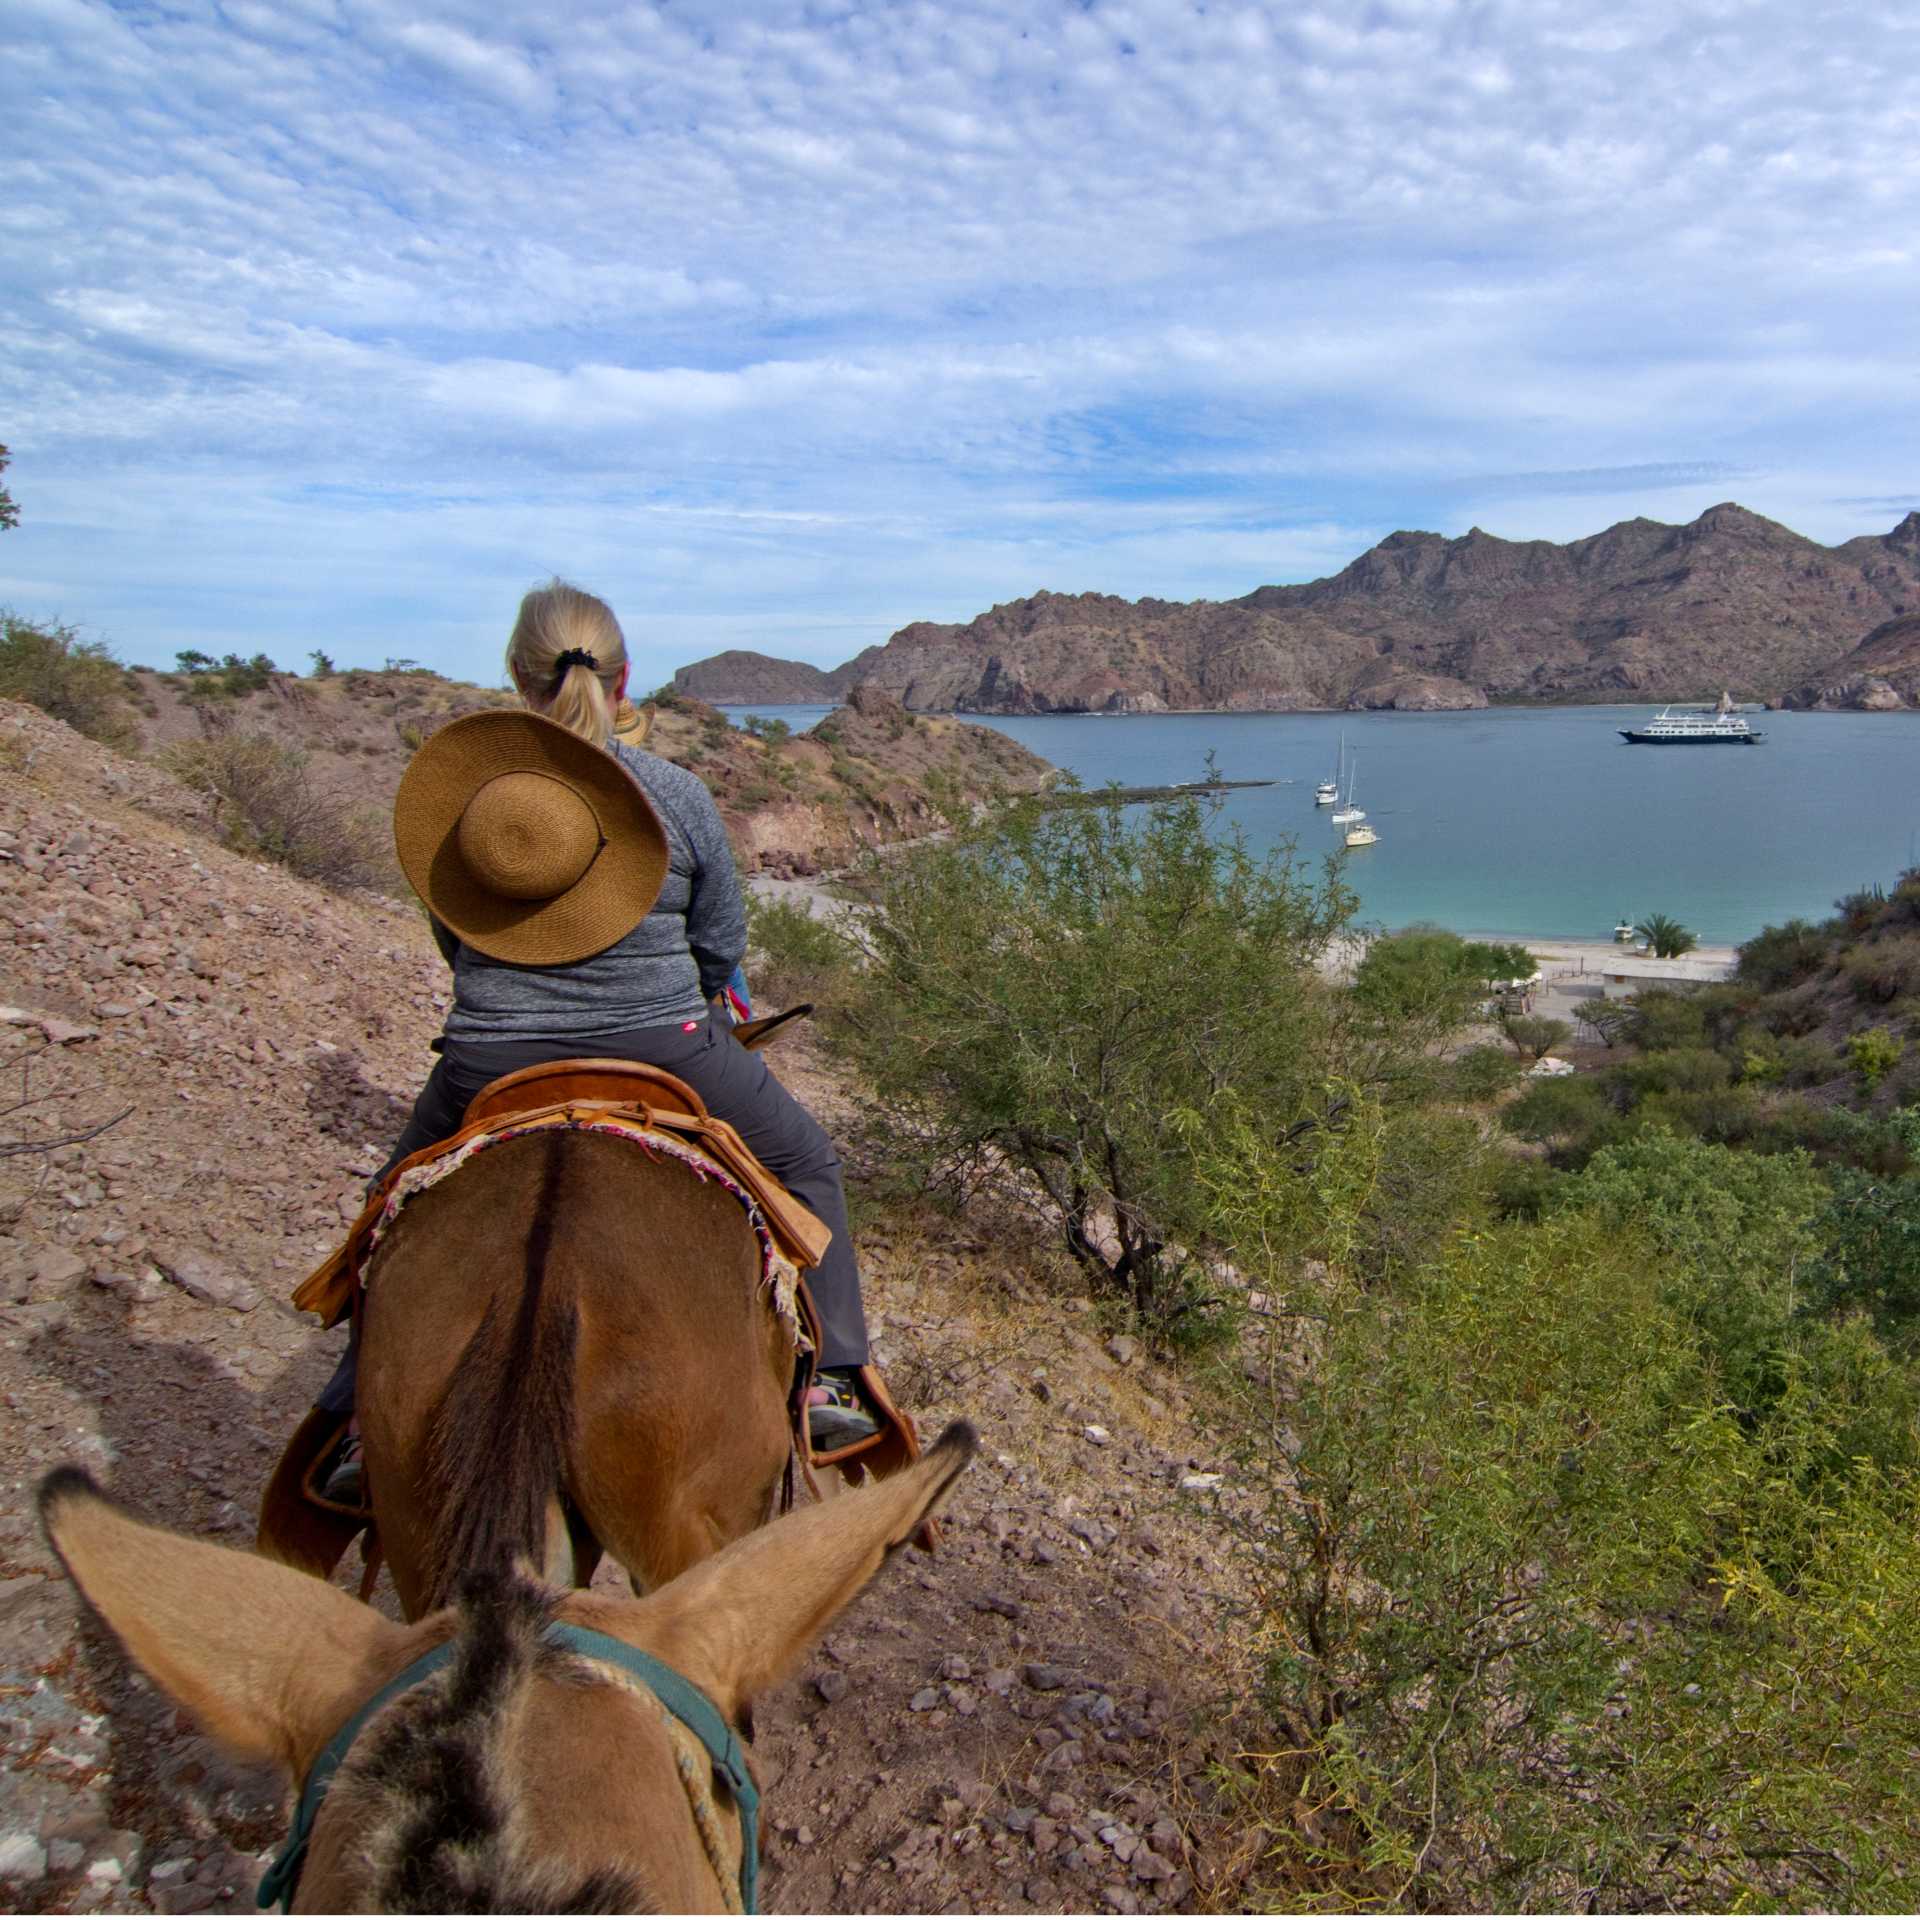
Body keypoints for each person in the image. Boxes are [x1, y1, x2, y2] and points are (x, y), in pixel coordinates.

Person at [317, 580, 876, 1499]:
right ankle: (834, 1375)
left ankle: (348, 1420)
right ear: (624, 679)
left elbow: (455, 939)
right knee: (811, 1165)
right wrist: (685, 1002)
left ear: (516, 677)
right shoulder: (677, 792)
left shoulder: (474, 804)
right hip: (665, 1047)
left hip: (490, 1057)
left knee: (390, 1207)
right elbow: (719, 942)